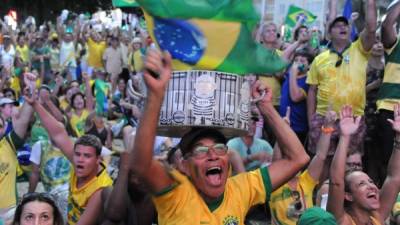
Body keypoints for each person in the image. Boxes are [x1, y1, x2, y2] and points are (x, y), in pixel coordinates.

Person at [128, 49, 309, 224]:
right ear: (184, 166)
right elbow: (141, 166)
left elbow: (298, 158)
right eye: (200, 150)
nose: (213, 155)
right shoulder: (176, 192)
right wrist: (156, 95)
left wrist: (266, 107)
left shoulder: (240, 189)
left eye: (220, 148)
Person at [27, 93, 113, 225]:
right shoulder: (79, 161)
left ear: (98, 160)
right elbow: (58, 133)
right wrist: (35, 104)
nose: (80, 159)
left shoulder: (100, 188)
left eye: (87, 156)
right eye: (77, 154)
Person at [307, 0, 377, 155]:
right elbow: (312, 90)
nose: (342, 27)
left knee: (350, 164)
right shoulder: (320, 58)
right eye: (337, 26)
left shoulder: (359, 49)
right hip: (324, 118)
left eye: (345, 25)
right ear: (329, 33)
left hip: (353, 118)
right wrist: (311, 120)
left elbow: (371, 29)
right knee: (321, 162)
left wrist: (370, 2)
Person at [327, 105, 400, 225]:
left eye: (371, 182)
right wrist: (345, 137)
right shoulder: (342, 220)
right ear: (348, 196)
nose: (371, 187)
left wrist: (398, 137)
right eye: (362, 184)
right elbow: (336, 182)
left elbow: (394, 178)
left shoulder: (377, 217)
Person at [269, 107, 333, 225]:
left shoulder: (306, 181)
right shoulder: (276, 183)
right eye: (289, 158)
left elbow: (321, 155)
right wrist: (282, 130)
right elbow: (276, 161)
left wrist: (328, 127)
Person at [0, 74, 35, 225]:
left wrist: (29, 91)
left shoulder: (8, 145)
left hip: (9, 215)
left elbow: (23, 121)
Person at [376, 0, 400, 186]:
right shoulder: (395, 44)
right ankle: (390, 204)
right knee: (388, 159)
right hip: (390, 109)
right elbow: (387, 24)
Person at [279, 51, 313, 145]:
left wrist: (293, 74)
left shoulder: (309, 81)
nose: (298, 63)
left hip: (297, 128)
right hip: (282, 124)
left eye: (302, 61)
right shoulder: (288, 75)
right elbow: (280, 61)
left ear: (309, 65)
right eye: (296, 60)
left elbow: (295, 97)